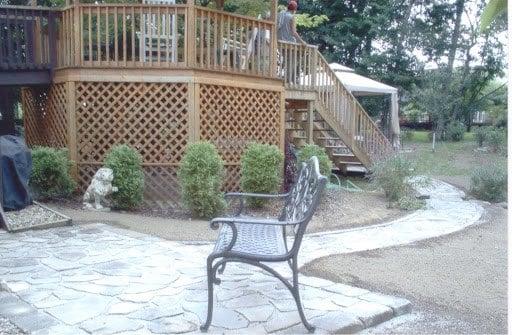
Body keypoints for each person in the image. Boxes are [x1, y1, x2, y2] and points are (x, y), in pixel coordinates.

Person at [277, 1, 306, 84]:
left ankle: (292, 78)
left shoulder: (280, 15)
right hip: (290, 44)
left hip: (280, 43)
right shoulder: (291, 17)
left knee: (288, 60)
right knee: (294, 59)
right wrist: (302, 42)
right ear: (295, 9)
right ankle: (289, 79)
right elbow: (294, 32)